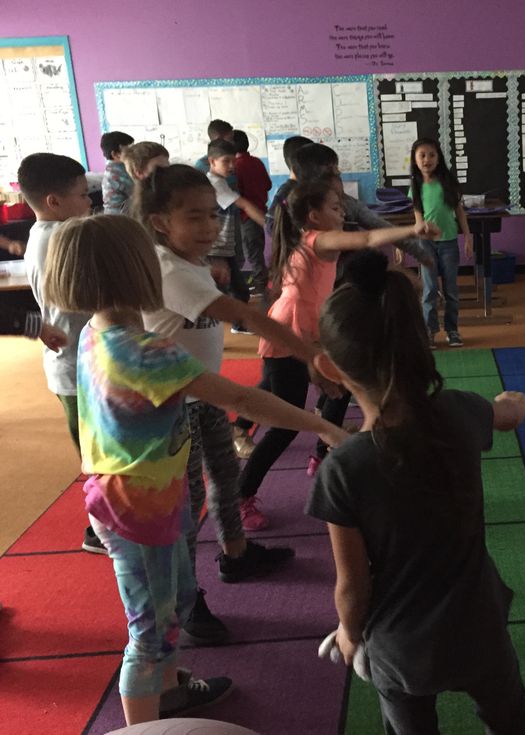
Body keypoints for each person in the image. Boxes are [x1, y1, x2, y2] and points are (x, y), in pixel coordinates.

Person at [42, 214, 347, 725]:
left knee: (176, 603)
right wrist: (325, 427)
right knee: (148, 633)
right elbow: (243, 400)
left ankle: (168, 691)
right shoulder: (145, 352)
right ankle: (147, 726)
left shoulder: (98, 331)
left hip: (149, 498)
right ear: (139, 273)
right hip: (135, 509)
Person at [306, 249, 525, 734]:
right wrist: (512, 401)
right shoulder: (461, 412)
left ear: (329, 367)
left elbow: (352, 586)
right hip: (481, 625)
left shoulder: (343, 469)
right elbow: (509, 413)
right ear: (419, 341)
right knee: (511, 720)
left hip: (401, 645)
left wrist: (348, 634)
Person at [138, 165, 326, 640]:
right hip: (172, 406)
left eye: (212, 215)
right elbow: (244, 314)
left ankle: (236, 554)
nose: (209, 227)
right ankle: (185, 600)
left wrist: (212, 272)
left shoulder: (187, 262)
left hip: (202, 395)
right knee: (187, 504)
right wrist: (313, 356)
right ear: (159, 221)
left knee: (223, 478)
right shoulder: (166, 268)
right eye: (194, 217)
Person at [234, 179, 438, 531]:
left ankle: (322, 453)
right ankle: (242, 495)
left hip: (306, 331)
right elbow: (368, 239)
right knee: (285, 424)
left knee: (341, 387)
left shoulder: (308, 240)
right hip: (288, 337)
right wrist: (412, 230)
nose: (342, 212)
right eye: (335, 207)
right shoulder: (319, 239)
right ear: (314, 216)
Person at [17, 152, 102, 554]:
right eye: (83, 196)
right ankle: (98, 530)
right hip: (73, 364)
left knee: (101, 446)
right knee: (96, 454)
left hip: (79, 358)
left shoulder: (46, 234)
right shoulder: (59, 238)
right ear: (54, 201)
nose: (89, 203)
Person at [410, 137, 472, 348]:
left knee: (451, 290)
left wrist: (468, 236)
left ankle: (452, 330)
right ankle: (430, 331)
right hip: (426, 244)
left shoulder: (447, 182)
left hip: (449, 243)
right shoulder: (416, 185)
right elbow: (418, 216)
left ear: (439, 158)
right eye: (422, 155)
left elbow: (459, 211)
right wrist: (413, 239)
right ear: (415, 159)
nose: (427, 160)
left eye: (431, 155)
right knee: (429, 289)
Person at [204, 139, 265, 334]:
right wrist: (271, 227)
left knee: (233, 289)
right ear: (212, 161)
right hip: (217, 249)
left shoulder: (220, 182)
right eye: (226, 161)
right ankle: (231, 325)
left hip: (224, 246)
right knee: (233, 290)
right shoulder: (214, 184)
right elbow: (244, 205)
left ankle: (232, 325)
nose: (232, 166)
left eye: (233, 161)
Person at [231, 129, 271, 295]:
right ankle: (261, 281)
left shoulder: (236, 167)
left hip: (246, 216)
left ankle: (260, 285)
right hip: (260, 212)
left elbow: (236, 194)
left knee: (251, 250)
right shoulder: (257, 162)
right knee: (256, 248)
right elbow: (268, 185)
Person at [100, 131, 135, 214]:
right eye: (129, 151)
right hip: (119, 217)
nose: (134, 153)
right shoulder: (118, 173)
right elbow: (139, 191)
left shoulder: (111, 170)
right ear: (115, 154)